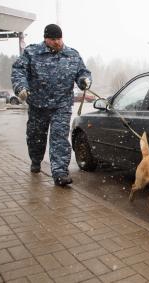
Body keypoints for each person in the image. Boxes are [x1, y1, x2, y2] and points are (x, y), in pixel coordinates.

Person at [11, 24, 92, 186]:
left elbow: (83, 72)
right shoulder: (32, 52)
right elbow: (18, 71)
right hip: (37, 105)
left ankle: (60, 172)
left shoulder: (72, 55)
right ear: (46, 39)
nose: (57, 42)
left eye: (59, 39)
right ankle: (36, 161)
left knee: (59, 138)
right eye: (53, 39)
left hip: (61, 105)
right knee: (36, 137)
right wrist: (21, 87)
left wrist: (84, 80)